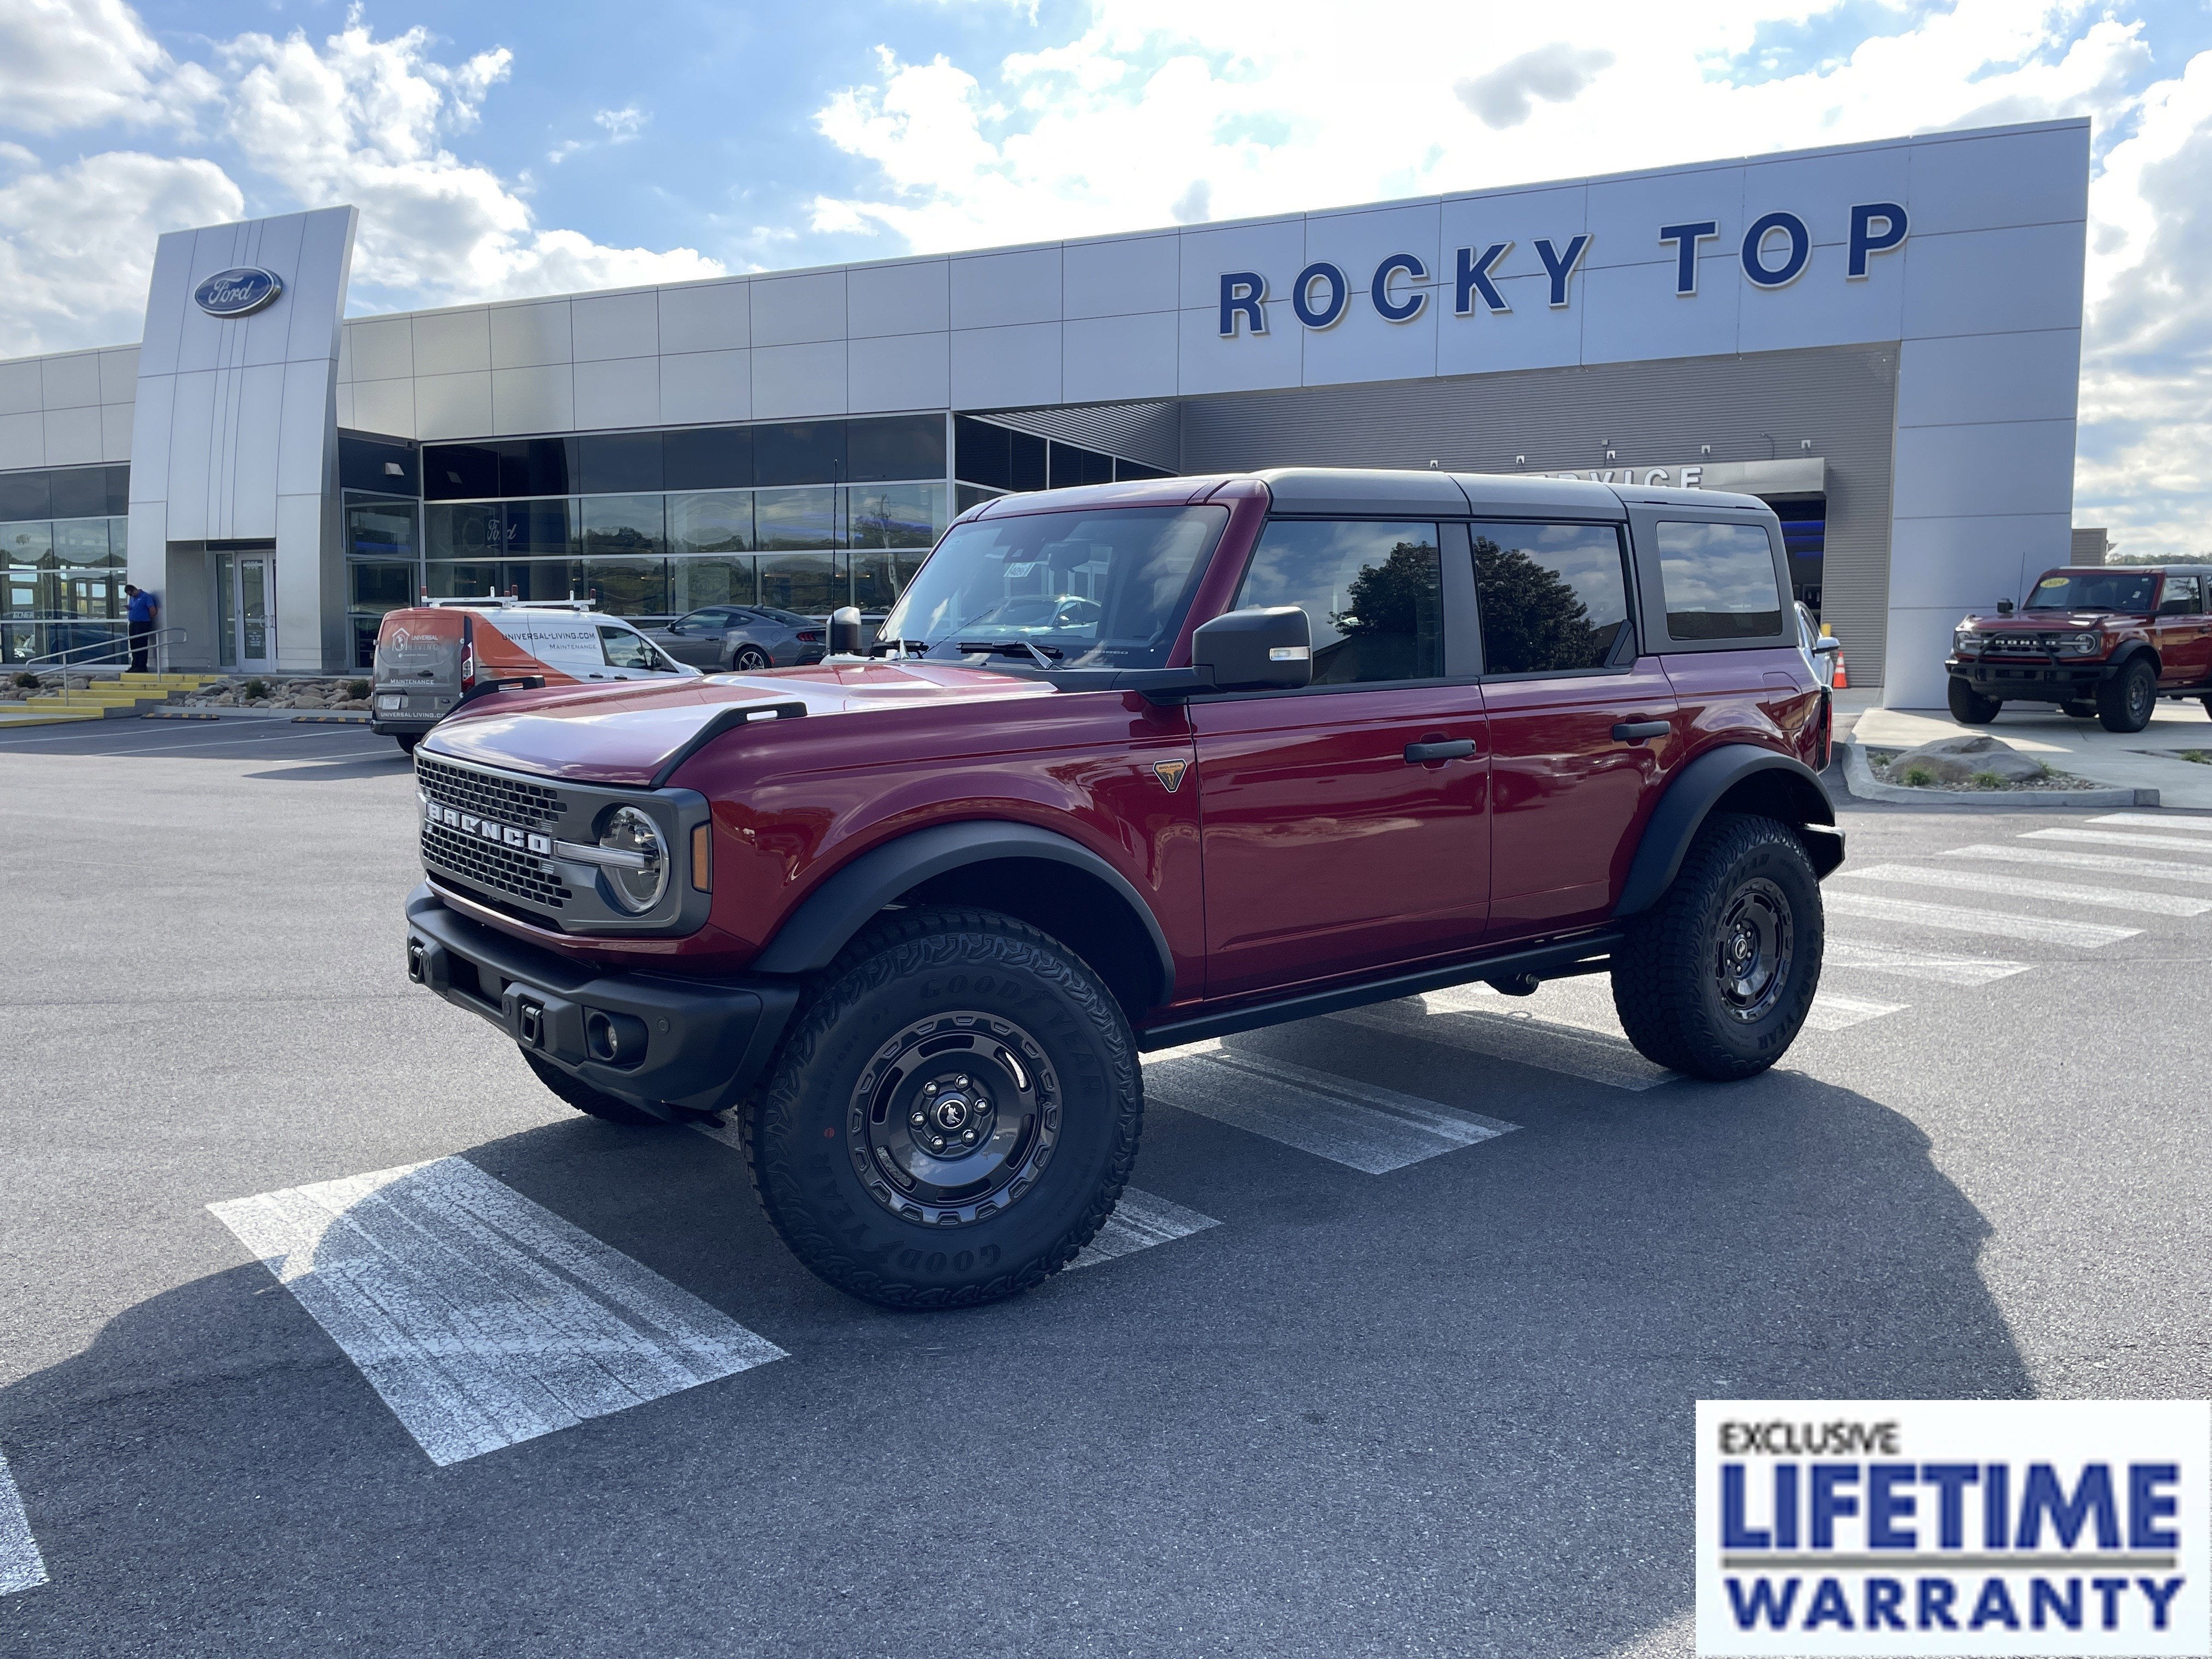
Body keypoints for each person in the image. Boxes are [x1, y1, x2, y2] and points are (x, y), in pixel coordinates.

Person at [125, 584, 158, 673]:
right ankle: (135, 665)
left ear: (135, 590)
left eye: (132, 594)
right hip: (133, 623)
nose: (132, 596)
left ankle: (142, 666)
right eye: (130, 595)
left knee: (141, 645)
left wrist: (146, 618)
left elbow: (153, 611)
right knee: (134, 645)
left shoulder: (146, 597)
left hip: (142, 624)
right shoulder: (132, 598)